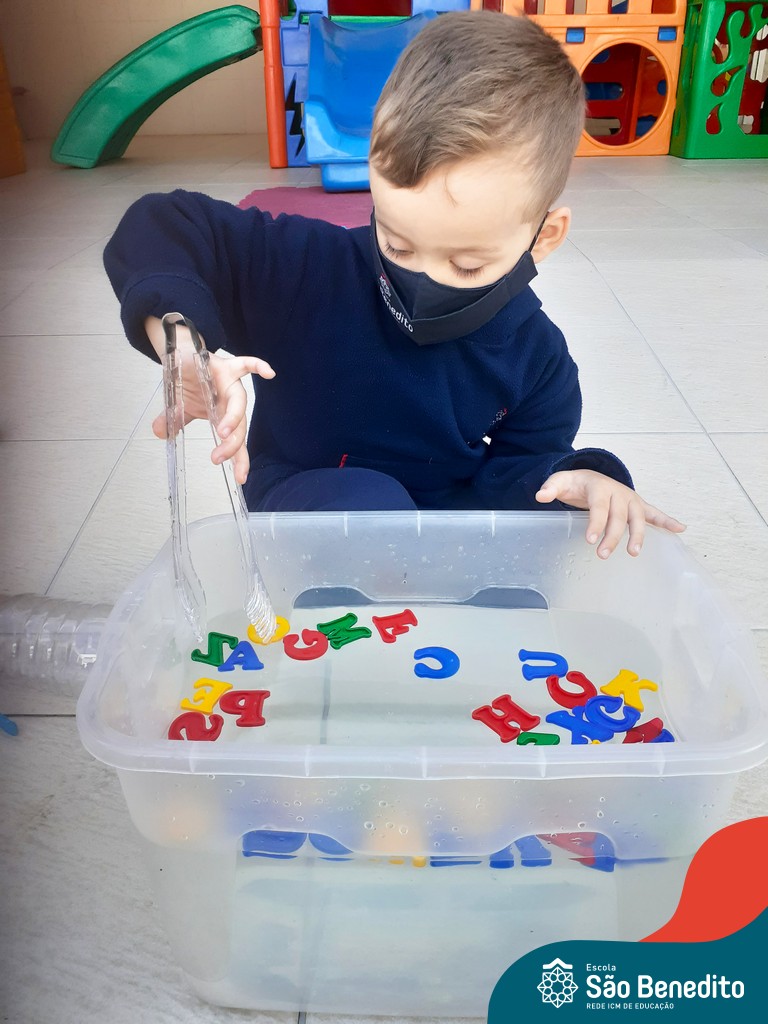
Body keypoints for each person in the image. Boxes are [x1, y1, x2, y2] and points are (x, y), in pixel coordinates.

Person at [103, 10, 684, 559]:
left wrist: (577, 478)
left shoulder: (537, 358)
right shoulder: (310, 269)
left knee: (535, 556)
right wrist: (182, 343)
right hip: (311, 496)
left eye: (467, 264)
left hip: (446, 519)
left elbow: (518, 475)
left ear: (544, 236)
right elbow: (164, 224)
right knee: (372, 515)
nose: (423, 279)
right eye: (398, 244)